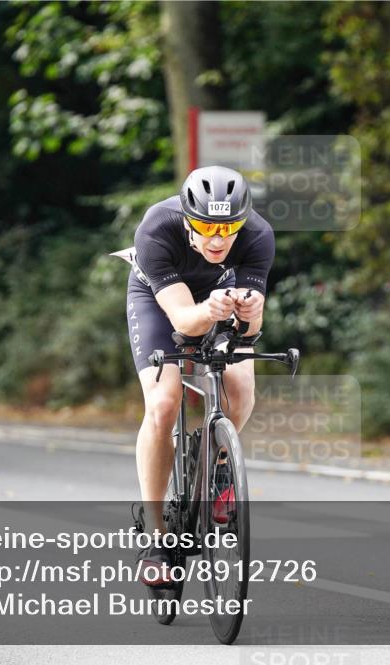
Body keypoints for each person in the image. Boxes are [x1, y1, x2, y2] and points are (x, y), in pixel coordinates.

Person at [120, 165, 274, 584]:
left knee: (240, 390)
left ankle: (217, 464)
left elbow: (250, 331)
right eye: (206, 227)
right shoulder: (157, 228)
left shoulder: (258, 235)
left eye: (228, 228)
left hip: (217, 298)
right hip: (161, 302)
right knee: (164, 402)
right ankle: (156, 536)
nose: (218, 239)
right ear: (189, 220)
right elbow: (184, 320)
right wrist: (208, 310)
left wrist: (250, 314)